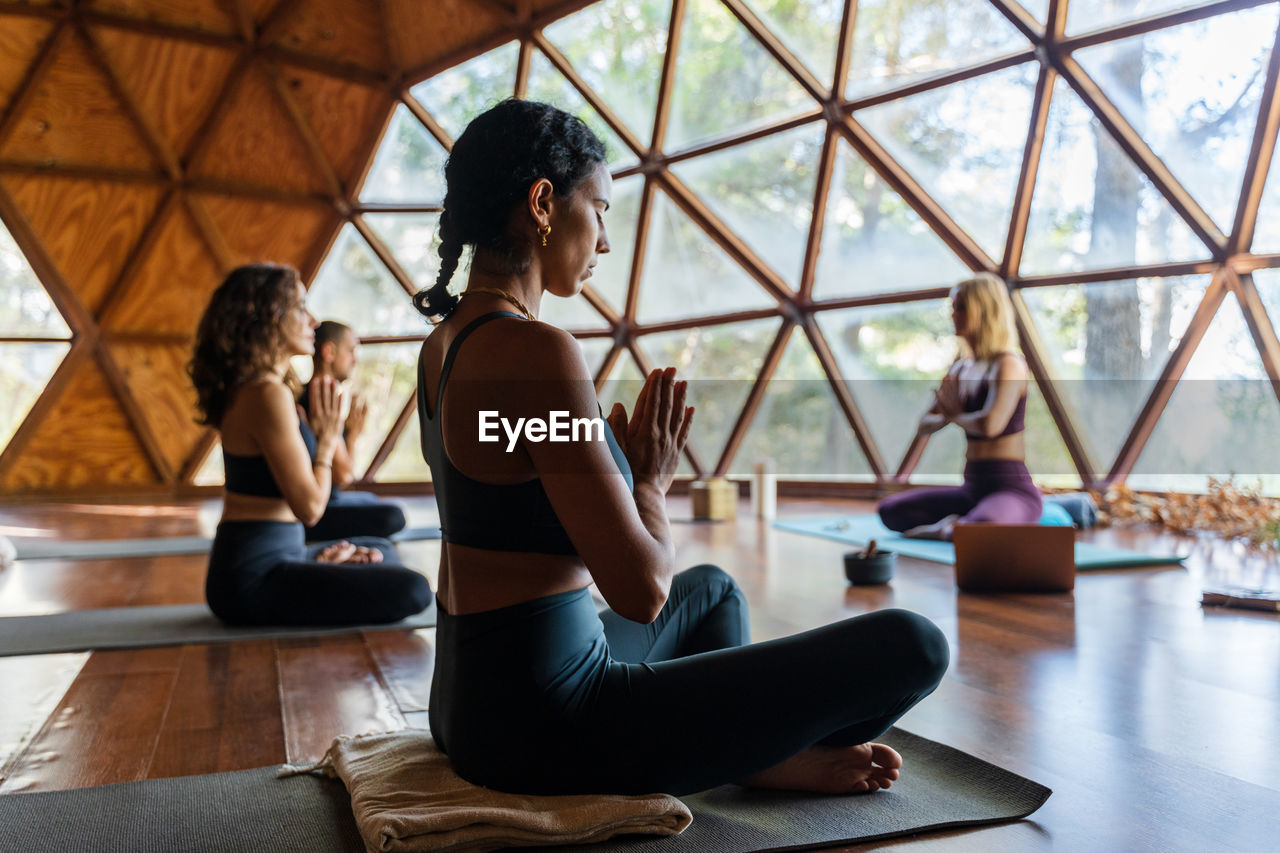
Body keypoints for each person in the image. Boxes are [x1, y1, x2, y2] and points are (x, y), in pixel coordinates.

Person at [415, 99, 948, 797]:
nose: (605, 239)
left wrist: (611, 467)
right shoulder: (538, 352)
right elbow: (641, 593)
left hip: (468, 707)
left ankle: (749, 752)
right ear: (543, 203)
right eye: (600, 208)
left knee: (716, 592)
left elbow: (519, 490)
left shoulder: (442, 346)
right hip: (550, 724)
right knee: (915, 644)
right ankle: (757, 754)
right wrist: (650, 484)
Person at [189, 264, 433, 626]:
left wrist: (316, 561)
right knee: (414, 589)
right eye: (300, 308)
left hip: (278, 554)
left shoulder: (263, 387)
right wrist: (329, 439)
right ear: (269, 317)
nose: (313, 321)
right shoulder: (265, 393)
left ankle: (315, 564)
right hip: (252, 576)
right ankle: (312, 565)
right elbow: (312, 510)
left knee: (379, 550)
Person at [877, 272, 1043, 541]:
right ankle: (959, 524)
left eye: (961, 307)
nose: (953, 315)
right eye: (953, 307)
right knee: (889, 511)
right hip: (972, 487)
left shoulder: (1008, 363)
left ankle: (948, 528)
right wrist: (947, 416)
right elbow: (923, 426)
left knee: (982, 529)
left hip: (1010, 488)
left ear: (985, 310)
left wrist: (954, 414)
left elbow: (991, 425)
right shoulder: (961, 368)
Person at [298, 320, 408, 541]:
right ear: (329, 351)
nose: (355, 359)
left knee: (371, 500)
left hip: (329, 497)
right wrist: (353, 437)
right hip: (318, 508)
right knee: (394, 516)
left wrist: (349, 433)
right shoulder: (319, 400)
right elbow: (344, 476)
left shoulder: (317, 395)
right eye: (350, 350)